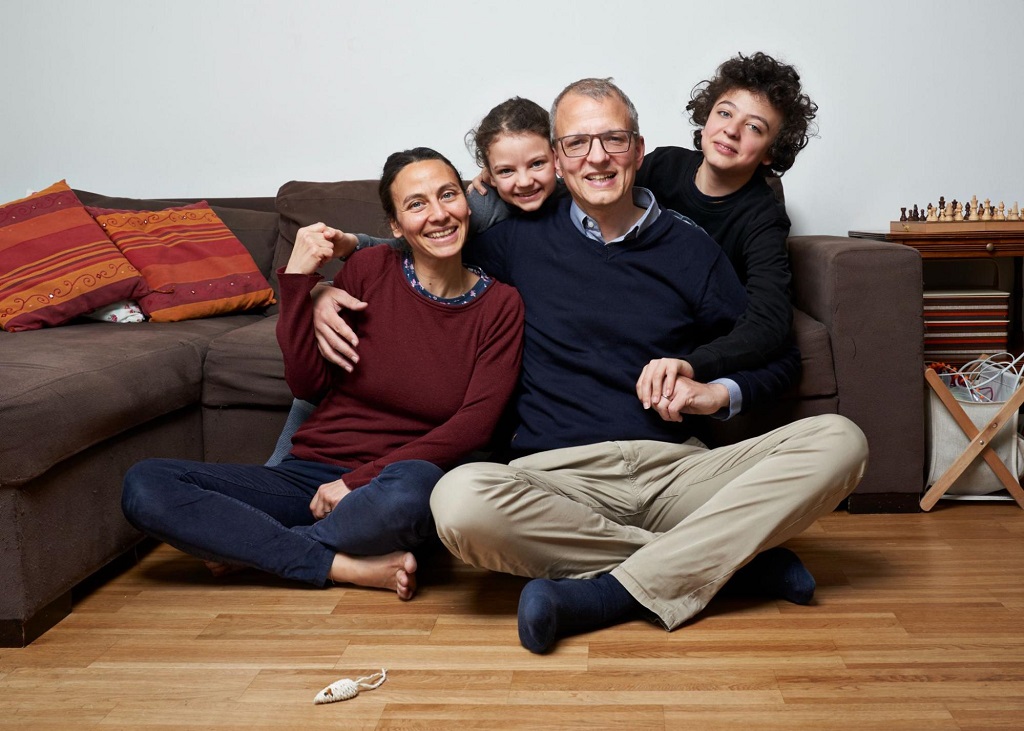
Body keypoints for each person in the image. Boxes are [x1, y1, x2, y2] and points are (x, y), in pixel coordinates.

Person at [419, 78, 866, 653]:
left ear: (639, 149)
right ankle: (727, 563)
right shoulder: (514, 243)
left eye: (613, 139)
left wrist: (715, 393)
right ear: (556, 158)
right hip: (558, 479)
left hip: (677, 472)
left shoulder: (691, 249)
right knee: (457, 500)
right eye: (577, 143)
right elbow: (420, 255)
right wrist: (332, 278)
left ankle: (609, 593)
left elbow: (778, 356)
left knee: (841, 439)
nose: (597, 157)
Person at [120, 147, 524, 601]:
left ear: (466, 202)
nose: (438, 214)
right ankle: (342, 566)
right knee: (146, 483)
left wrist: (356, 481)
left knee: (414, 492)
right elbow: (308, 385)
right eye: (416, 203)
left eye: (448, 194)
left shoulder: (500, 305)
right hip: (306, 478)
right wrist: (297, 284)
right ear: (395, 225)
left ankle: (251, 546)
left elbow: (475, 425)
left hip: (390, 485)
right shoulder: (369, 270)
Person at [634, 51, 818, 403]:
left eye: (754, 127)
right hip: (645, 302)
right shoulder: (662, 166)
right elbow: (591, 192)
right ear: (706, 119)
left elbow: (770, 319)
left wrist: (695, 365)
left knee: (784, 358)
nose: (731, 130)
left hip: (699, 328)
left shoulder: (764, 216)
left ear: (769, 153)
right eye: (724, 112)